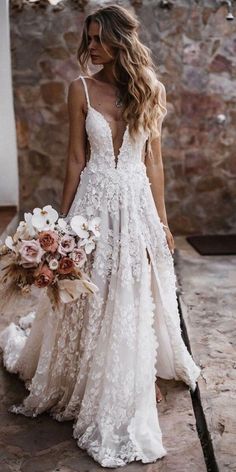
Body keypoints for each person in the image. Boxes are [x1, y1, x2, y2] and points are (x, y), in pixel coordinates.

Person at [0, 4, 201, 468]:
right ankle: (80, 373)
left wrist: (164, 221)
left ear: (119, 41)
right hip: (92, 203)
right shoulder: (80, 89)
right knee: (88, 291)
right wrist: (63, 221)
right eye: (87, 38)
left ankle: (131, 373)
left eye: (97, 39)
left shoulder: (151, 90)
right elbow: (74, 157)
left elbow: (154, 162)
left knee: (130, 288)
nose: (90, 47)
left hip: (135, 203)